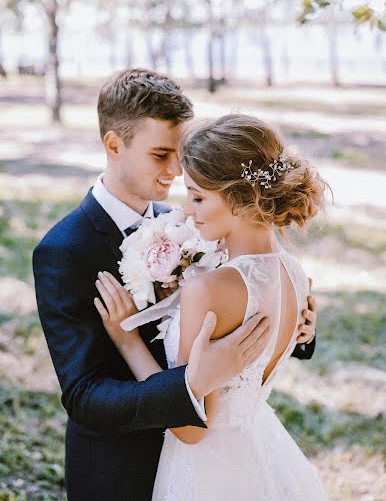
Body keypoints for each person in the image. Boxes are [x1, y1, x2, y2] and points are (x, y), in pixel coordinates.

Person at [33, 69, 316, 501]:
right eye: (161, 154)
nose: (176, 170)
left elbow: (245, 300)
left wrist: (299, 328)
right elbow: (84, 395)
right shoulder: (65, 250)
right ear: (114, 145)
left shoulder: (192, 223)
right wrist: (190, 383)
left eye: (180, 154)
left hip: (204, 464)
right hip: (121, 469)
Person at [94, 112, 327, 500]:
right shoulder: (295, 274)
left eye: (198, 197)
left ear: (240, 198)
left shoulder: (211, 289)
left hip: (207, 475)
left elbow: (189, 428)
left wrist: (126, 340)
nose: (186, 210)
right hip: (259, 451)